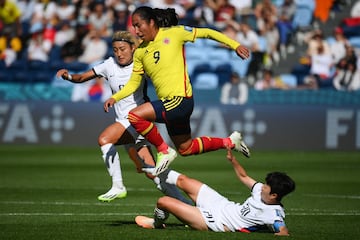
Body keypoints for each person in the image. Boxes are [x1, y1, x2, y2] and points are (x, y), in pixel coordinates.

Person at [103, 6, 251, 176]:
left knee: (135, 115)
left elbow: (208, 33)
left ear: (151, 22)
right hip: (171, 106)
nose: (136, 31)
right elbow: (133, 84)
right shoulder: (140, 52)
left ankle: (163, 150)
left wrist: (235, 45)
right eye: (134, 26)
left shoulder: (174, 33)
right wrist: (115, 97)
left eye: (139, 25)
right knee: (186, 148)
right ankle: (230, 141)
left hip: (180, 100)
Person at [56, 31, 190, 205]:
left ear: (133, 48)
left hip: (137, 120)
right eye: (115, 49)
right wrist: (68, 76)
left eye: (122, 49)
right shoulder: (108, 65)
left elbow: (161, 73)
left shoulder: (140, 63)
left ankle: (118, 186)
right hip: (123, 123)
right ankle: (188, 204)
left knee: (105, 139)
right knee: (154, 173)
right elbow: (82, 77)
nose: (119, 53)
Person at [135, 147, 296, 236]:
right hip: (221, 204)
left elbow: (282, 229)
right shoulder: (261, 191)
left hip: (214, 221)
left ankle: (156, 224)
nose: (262, 186)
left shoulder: (273, 213)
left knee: (163, 202)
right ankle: (155, 170)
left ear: (274, 195)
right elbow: (243, 176)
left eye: (267, 186)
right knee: (184, 180)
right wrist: (233, 161)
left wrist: (282, 233)